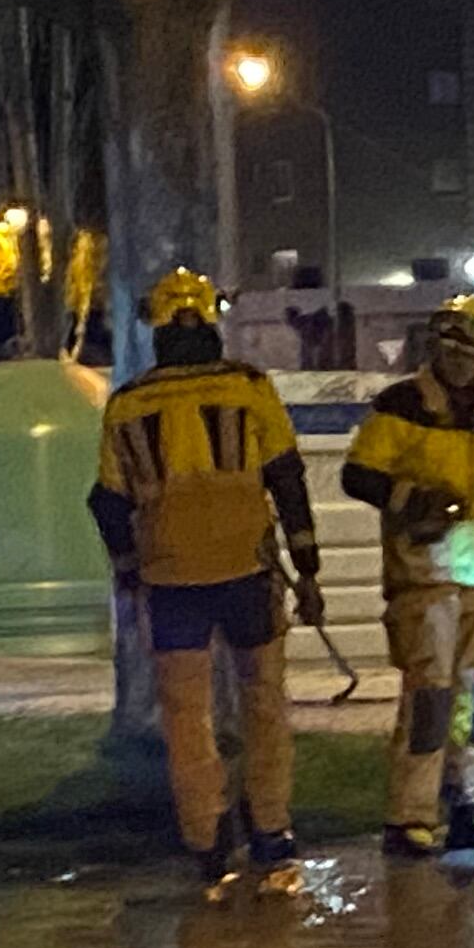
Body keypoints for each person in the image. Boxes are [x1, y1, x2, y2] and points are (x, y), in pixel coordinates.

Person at [88, 269, 324, 886]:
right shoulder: (249, 388)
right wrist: (308, 567)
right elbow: (286, 475)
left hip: (171, 583)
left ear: (158, 326)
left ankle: (208, 840)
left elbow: (108, 501)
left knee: (186, 714)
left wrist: (128, 569)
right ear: (210, 321)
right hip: (249, 570)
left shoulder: (128, 403)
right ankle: (271, 832)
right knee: (264, 702)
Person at [341, 292, 474, 859]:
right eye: (454, 353)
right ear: (436, 349)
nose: (463, 365)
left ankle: (470, 812)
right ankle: (410, 817)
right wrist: (414, 498)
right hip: (425, 578)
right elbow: (358, 475)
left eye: (473, 356)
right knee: (429, 701)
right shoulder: (401, 405)